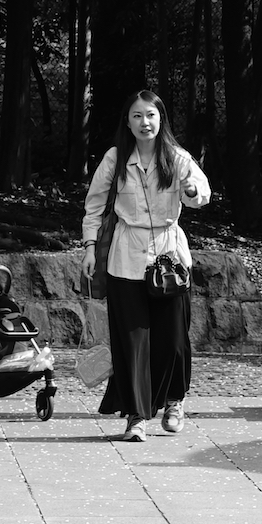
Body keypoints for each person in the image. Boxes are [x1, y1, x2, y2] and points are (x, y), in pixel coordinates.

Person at [81, 87, 211, 441]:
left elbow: (202, 193)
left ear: (161, 119)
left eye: (150, 115)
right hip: (126, 257)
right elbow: (94, 205)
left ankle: (173, 400)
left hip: (169, 256)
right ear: (127, 121)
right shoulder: (115, 158)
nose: (144, 122)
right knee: (133, 340)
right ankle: (136, 416)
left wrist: (191, 191)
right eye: (137, 116)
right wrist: (91, 247)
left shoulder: (177, 156)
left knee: (173, 340)